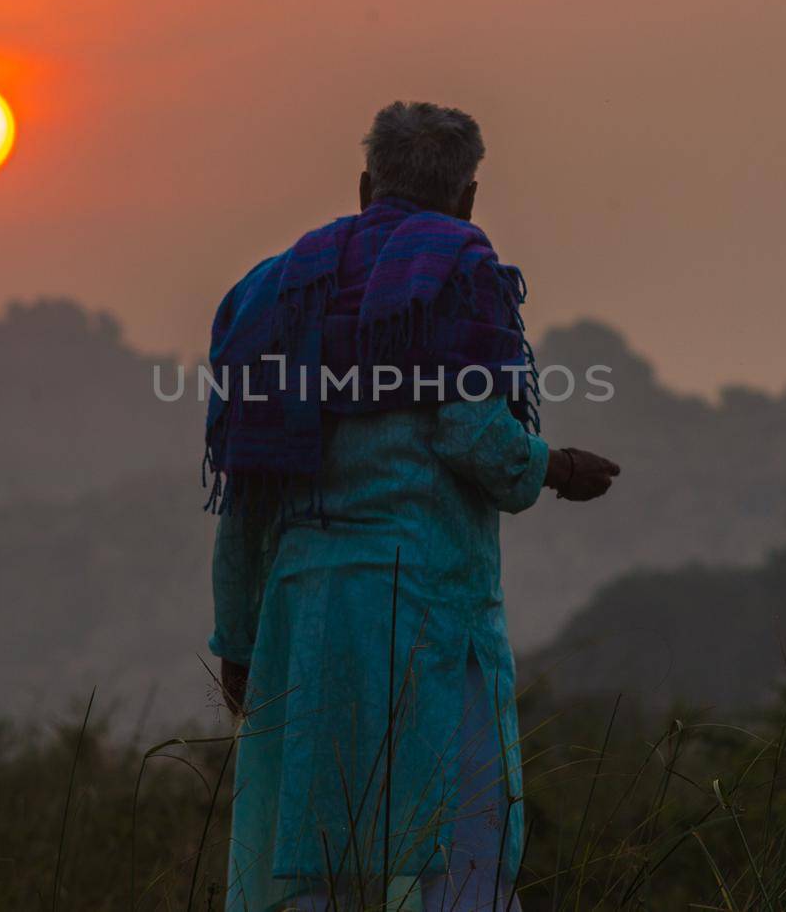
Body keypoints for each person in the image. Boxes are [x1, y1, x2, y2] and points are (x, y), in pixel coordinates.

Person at [204, 100, 619, 911]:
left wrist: (238, 638)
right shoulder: (463, 272)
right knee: (454, 848)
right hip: (426, 607)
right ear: (467, 197)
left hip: (302, 615)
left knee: (308, 857)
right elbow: (474, 435)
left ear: (366, 186)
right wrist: (558, 467)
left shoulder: (279, 293)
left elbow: (248, 491)